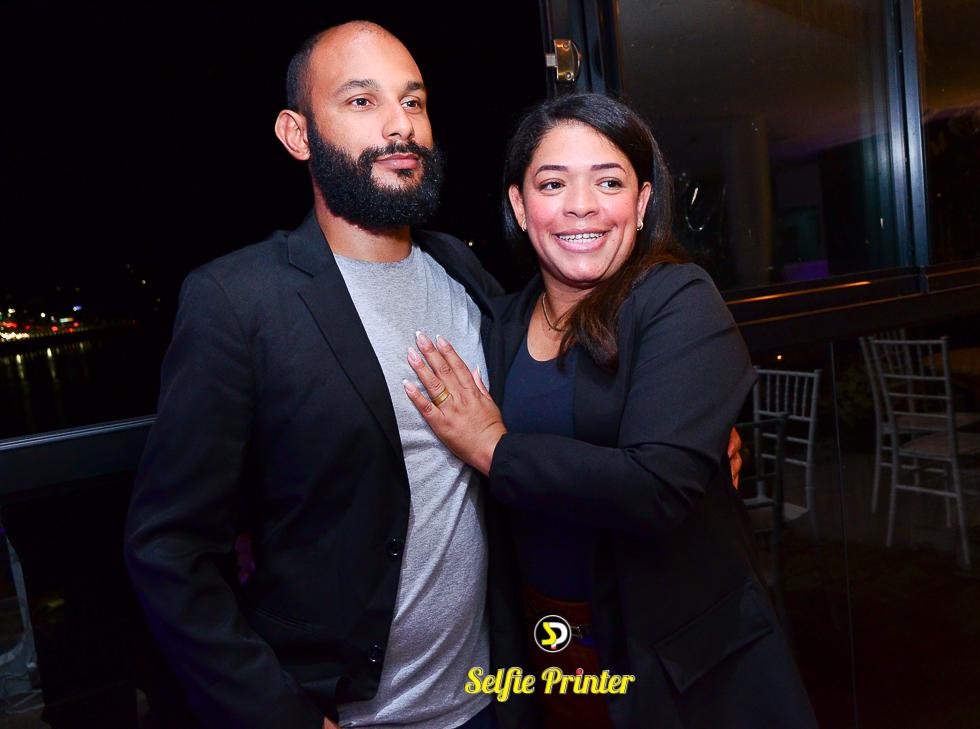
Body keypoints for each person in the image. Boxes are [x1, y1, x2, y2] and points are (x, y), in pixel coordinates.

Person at [124, 21, 529, 729]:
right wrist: (278, 714)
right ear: (297, 134)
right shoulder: (238, 300)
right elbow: (169, 550)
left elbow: (541, 394)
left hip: (489, 702)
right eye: (362, 101)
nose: (400, 126)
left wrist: (670, 433)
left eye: (413, 101)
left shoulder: (462, 271)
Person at [402, 93, 819, 729]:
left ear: (642, 202)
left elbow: (657, 488)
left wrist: (493, 447)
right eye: (552, 183)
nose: (582, 205)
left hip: (679, 669)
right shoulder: (501, 323)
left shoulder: (677, 299)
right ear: (520, 205)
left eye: (609, 181)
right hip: (546, 654)